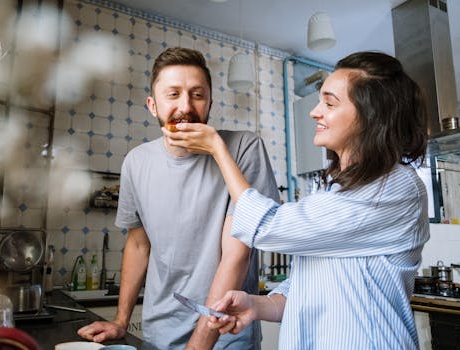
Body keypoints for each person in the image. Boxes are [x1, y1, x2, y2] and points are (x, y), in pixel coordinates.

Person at [163, 51, 430, 349]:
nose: (315, 111)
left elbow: (268, 227)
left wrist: (218, 149)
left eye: (329, 103)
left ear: (371, 116)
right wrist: (255, 305)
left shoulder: (396, 188)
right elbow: (305, 290)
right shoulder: (332, 190)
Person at [77, 47, 280, 349]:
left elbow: (237, 256)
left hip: (227, 336)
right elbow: (137, 244)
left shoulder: (244, 148)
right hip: (159, 334)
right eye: (173, 94)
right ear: (152, 105)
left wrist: (199, 344)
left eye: (197, 95)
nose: (186, 106)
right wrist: (121, 320)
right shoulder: (136, 162)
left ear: (210, 101)